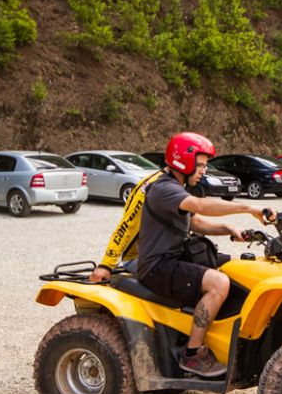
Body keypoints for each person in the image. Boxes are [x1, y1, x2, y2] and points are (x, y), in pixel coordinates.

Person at [88, 132, 271, 378]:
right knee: (219, 283)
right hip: (158, 266)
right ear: (184, 161)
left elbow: (194, 221)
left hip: (175, 258)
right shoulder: (163, 187)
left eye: (206, 165)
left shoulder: (176, 187)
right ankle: (193, 354)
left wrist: (228, 229)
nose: (204, 170)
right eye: (202, 164)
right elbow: (198, 206)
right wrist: (249, 207)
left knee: (234, 268)